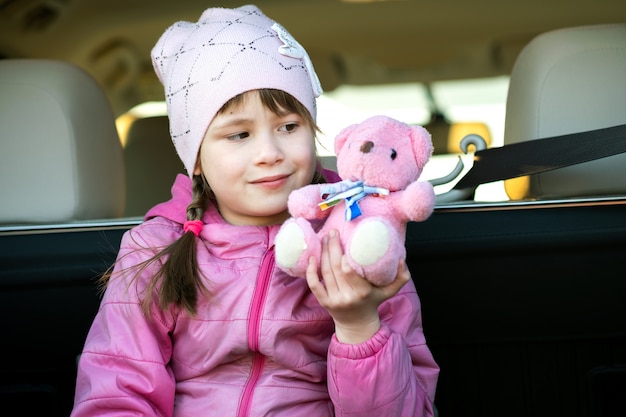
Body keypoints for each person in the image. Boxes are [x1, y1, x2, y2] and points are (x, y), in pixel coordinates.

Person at [71, 5, 439, 417]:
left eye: (288, 126)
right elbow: (116, 394)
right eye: (239, 134)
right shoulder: (154, 248)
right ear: (195, 157)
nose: (269, 153)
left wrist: (358, 325)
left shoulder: (364, 240)